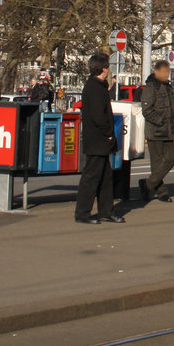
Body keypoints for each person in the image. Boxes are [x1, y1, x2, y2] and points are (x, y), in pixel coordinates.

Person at [75, 52, 123, 224]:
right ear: (104, 69)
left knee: (105, 177)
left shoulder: (97, 86)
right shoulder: (95, 88)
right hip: (97, 139)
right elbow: (98, 116)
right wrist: (109, 133)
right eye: (108, 66)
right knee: (92, 177)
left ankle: (105, 211)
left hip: (99, 140)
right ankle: (82, 213)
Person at [138, 60, 174, 204]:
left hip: (167, 131)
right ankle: (161, 192)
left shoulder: (167, 87)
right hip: (155, 131)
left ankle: (148, 184)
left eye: (168, 72)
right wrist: (160, 120)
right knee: (157, 161)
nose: (167, 75)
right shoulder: (150, 87)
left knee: (171, 158)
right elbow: (147, 110)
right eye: (165, 72)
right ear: (157, 71)